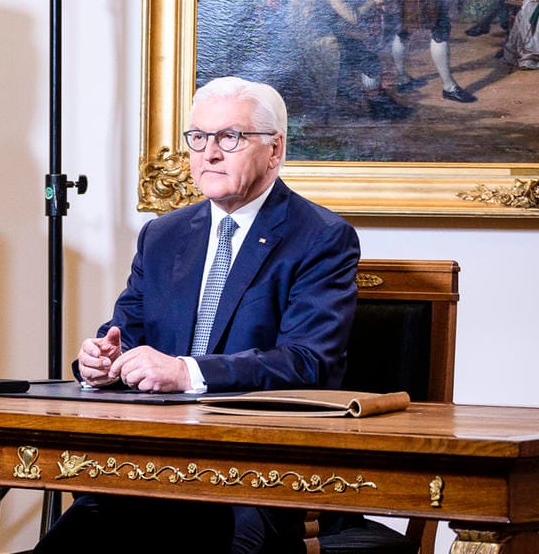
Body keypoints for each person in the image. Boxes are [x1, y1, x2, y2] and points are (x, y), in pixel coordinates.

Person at [34, 76, 360, 554]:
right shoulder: (163, 235)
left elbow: (309, 363)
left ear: (275, 150)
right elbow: (125, 332)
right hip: (150, 470)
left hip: (254, 480)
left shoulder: (320, 238)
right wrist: (100, 361)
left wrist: (185, 371)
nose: (209, 153)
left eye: (231, 137)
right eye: (198, 138)